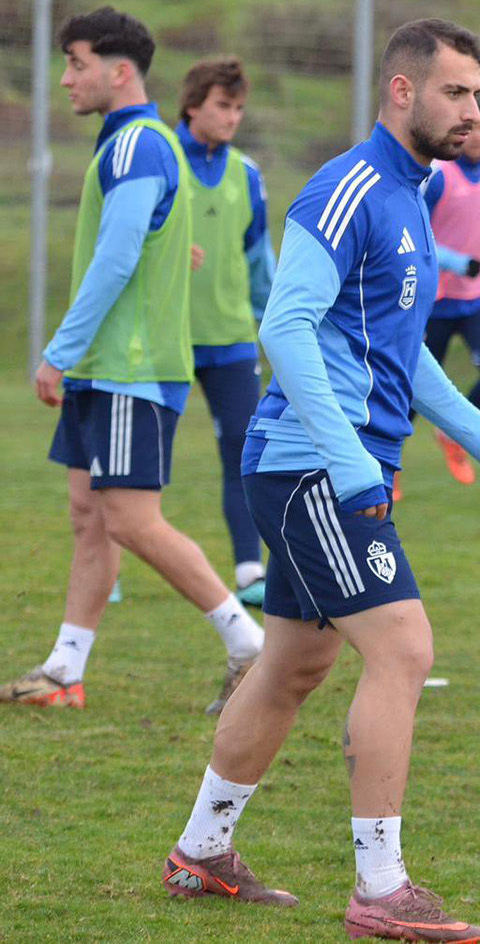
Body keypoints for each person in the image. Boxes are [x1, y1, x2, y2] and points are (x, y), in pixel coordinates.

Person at [161, 19, 480, 942]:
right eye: (457, 92)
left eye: (479, 95)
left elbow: (406, 363)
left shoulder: (413, 198)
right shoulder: (349, 188)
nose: (474, 111)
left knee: (295, 663)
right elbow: (284, 331)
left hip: (324, 469)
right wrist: (349, 461)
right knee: (404, 649)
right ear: (403, 92)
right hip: (309, 469)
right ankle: (381, 889)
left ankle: (200, 852)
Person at [1, 8, 263, 713]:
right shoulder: (140, 145)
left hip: (128, 368)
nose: (66, 79)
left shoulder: (136, 147)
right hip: (106, 369)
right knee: (89, 515)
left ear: (119, 71)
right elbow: (147, 243)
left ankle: (249, 646)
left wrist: (57, 352)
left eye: (76, 64)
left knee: (132, 520)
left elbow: (117, 259)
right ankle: (65, 670)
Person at [177, 56, 278, 610]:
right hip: (162, 338)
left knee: (246, 452)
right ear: (192, 104)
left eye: (239, 108)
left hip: (232, 339)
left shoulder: (248, 174)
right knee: (143, 463)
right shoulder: (160, 160)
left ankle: (248, 573)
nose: (232, 117)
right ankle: (109, 566)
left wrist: (281, 325)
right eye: (222, 106)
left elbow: (258, 261)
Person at [419, 99, 480, 486]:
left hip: (478, 298)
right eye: (472, 127)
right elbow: (417, 232)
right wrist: (458, 263)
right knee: (409, 392)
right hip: (436, 300)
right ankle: (383, 464)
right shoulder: (439, 175)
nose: (479, 135)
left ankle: (451, 434)